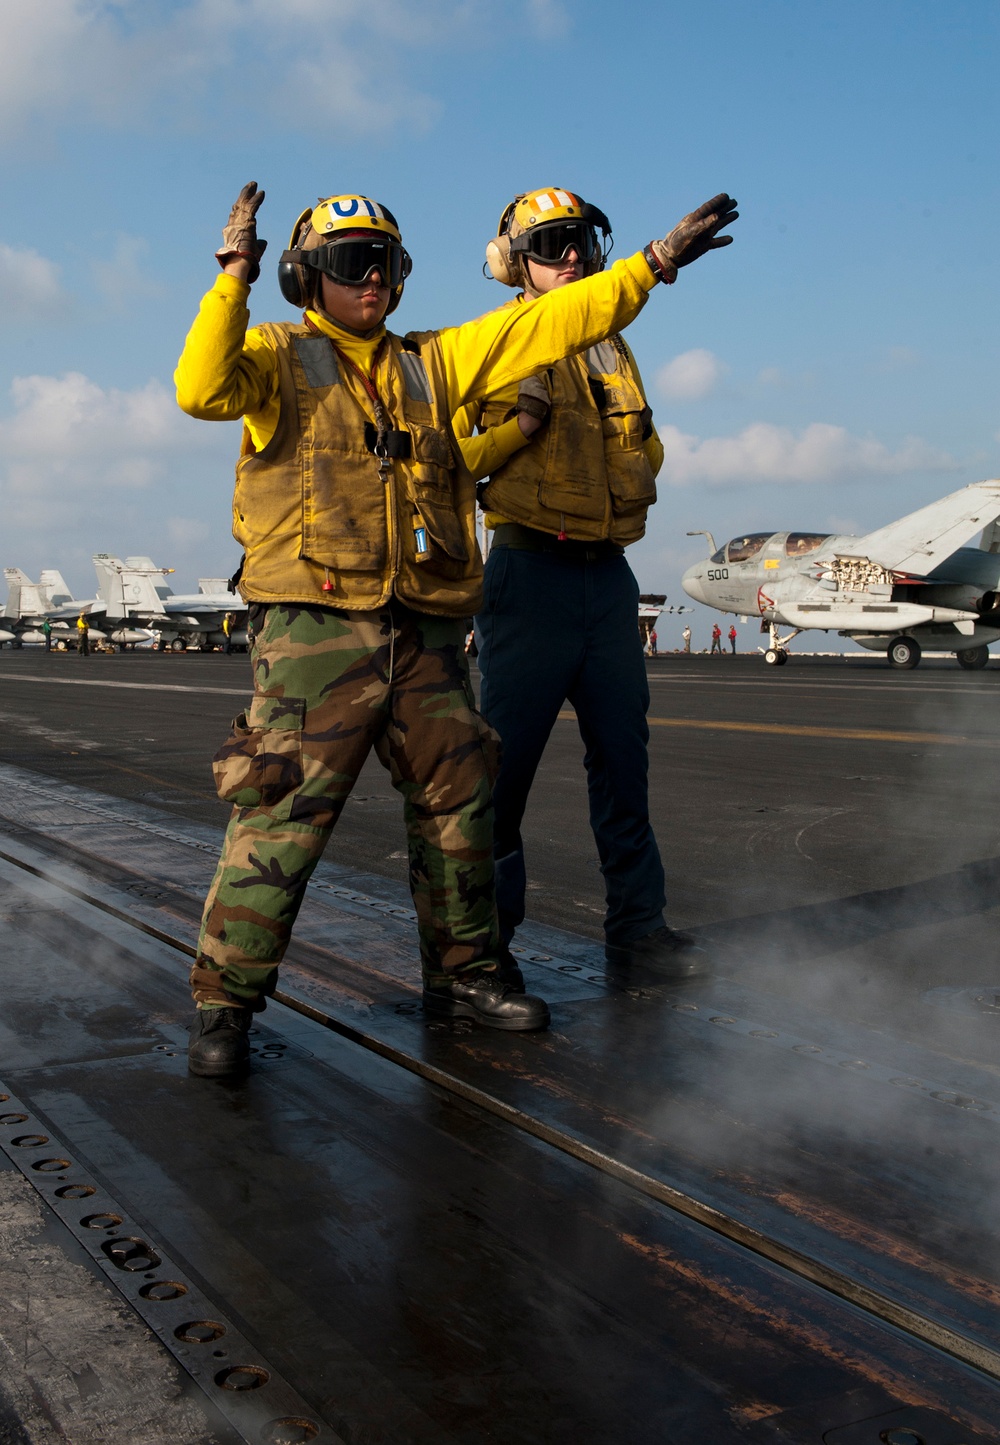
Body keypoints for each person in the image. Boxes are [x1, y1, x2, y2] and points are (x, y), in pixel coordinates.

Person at [175, 182, 733, 1076]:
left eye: (384, 264)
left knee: (460, 809)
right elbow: (199, 387)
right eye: (349, 264)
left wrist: (653, 267)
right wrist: (233, 279)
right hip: (319, 629)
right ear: (302, 278)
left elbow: (548, 324)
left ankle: (466, 976)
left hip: (426, 627)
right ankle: (226, 1006)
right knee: (283, 813)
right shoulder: (274, 356)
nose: (370, 279)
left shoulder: (436, 363)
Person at [452, 187, 737, 979]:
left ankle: (639, 927)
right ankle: (482, 951)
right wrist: (520, 429)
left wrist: (639, 457)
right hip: (529, 572)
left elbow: (646, 447)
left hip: (606, 578)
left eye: (579, 239)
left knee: (624, 758)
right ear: (517, 263)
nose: (571, 254)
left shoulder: (612, 343)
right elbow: (447, 462)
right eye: (550, 244)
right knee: (500, 775)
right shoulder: (496, 341)